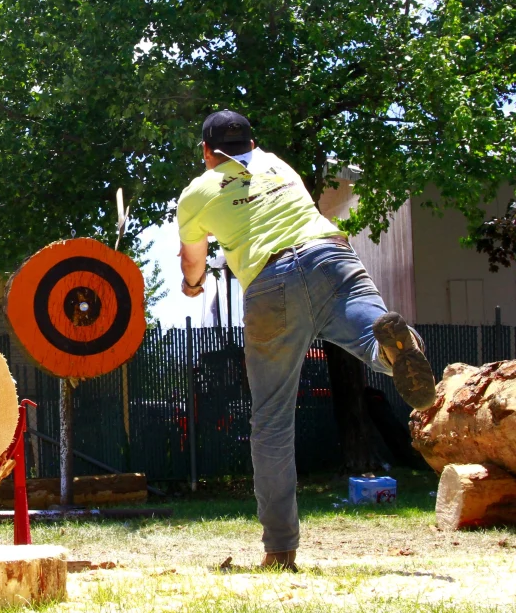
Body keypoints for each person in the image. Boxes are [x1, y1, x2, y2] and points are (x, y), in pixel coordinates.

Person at [176, 109, 436, 572]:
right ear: (251, 143)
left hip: (269, 281)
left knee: (272, 420)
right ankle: (395, 346)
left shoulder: (198, 191)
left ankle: (280, 550)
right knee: (372, 336)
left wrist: (193, 285)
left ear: (206, 152)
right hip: (331, 256)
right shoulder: (277, 163)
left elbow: (193, 261)